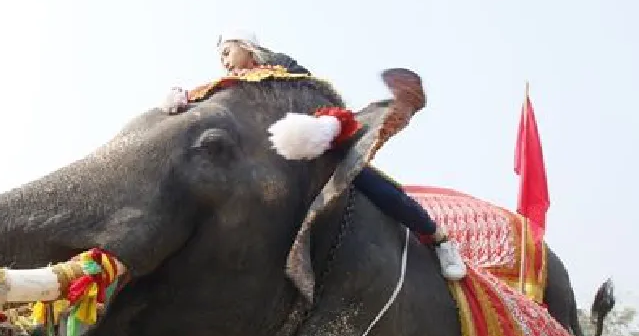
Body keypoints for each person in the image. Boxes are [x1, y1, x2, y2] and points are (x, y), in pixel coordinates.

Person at [171, 31, 466, 281]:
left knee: (374, 186)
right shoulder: (228, 91)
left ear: (248, 48)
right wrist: (184, 97)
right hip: (267, 162)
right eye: (220, 57)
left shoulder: (283, 69)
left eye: (227, 52)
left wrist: (319, 129)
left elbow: (314, 98)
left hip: (315, 151)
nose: (224, 61)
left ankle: (438, 239)